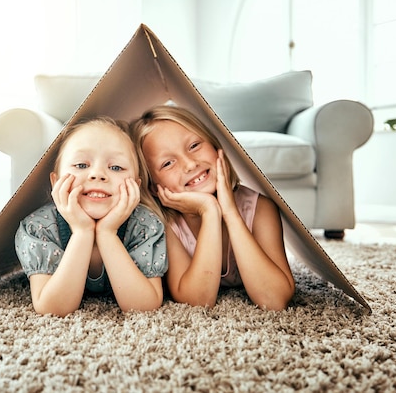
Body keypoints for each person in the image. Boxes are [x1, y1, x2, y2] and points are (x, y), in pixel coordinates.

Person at [130, 105, 295, 311]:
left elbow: (274, 300)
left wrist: (230, 213)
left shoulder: (260, 209)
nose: (190, 164)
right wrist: (209, 210)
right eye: (168, 163)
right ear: (154, 187)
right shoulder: (164, 225)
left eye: (194, 145)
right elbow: (199, 301)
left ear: (216, 146)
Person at [15, 116, 167, 316]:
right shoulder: (39, 227)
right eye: (81, 165)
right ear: (56, 182)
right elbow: (53, 308)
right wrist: (82, 232)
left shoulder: (145, 225)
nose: (97, 174)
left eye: (116, 167)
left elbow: (143, 306)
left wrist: (107, 233)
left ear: (135, 187)